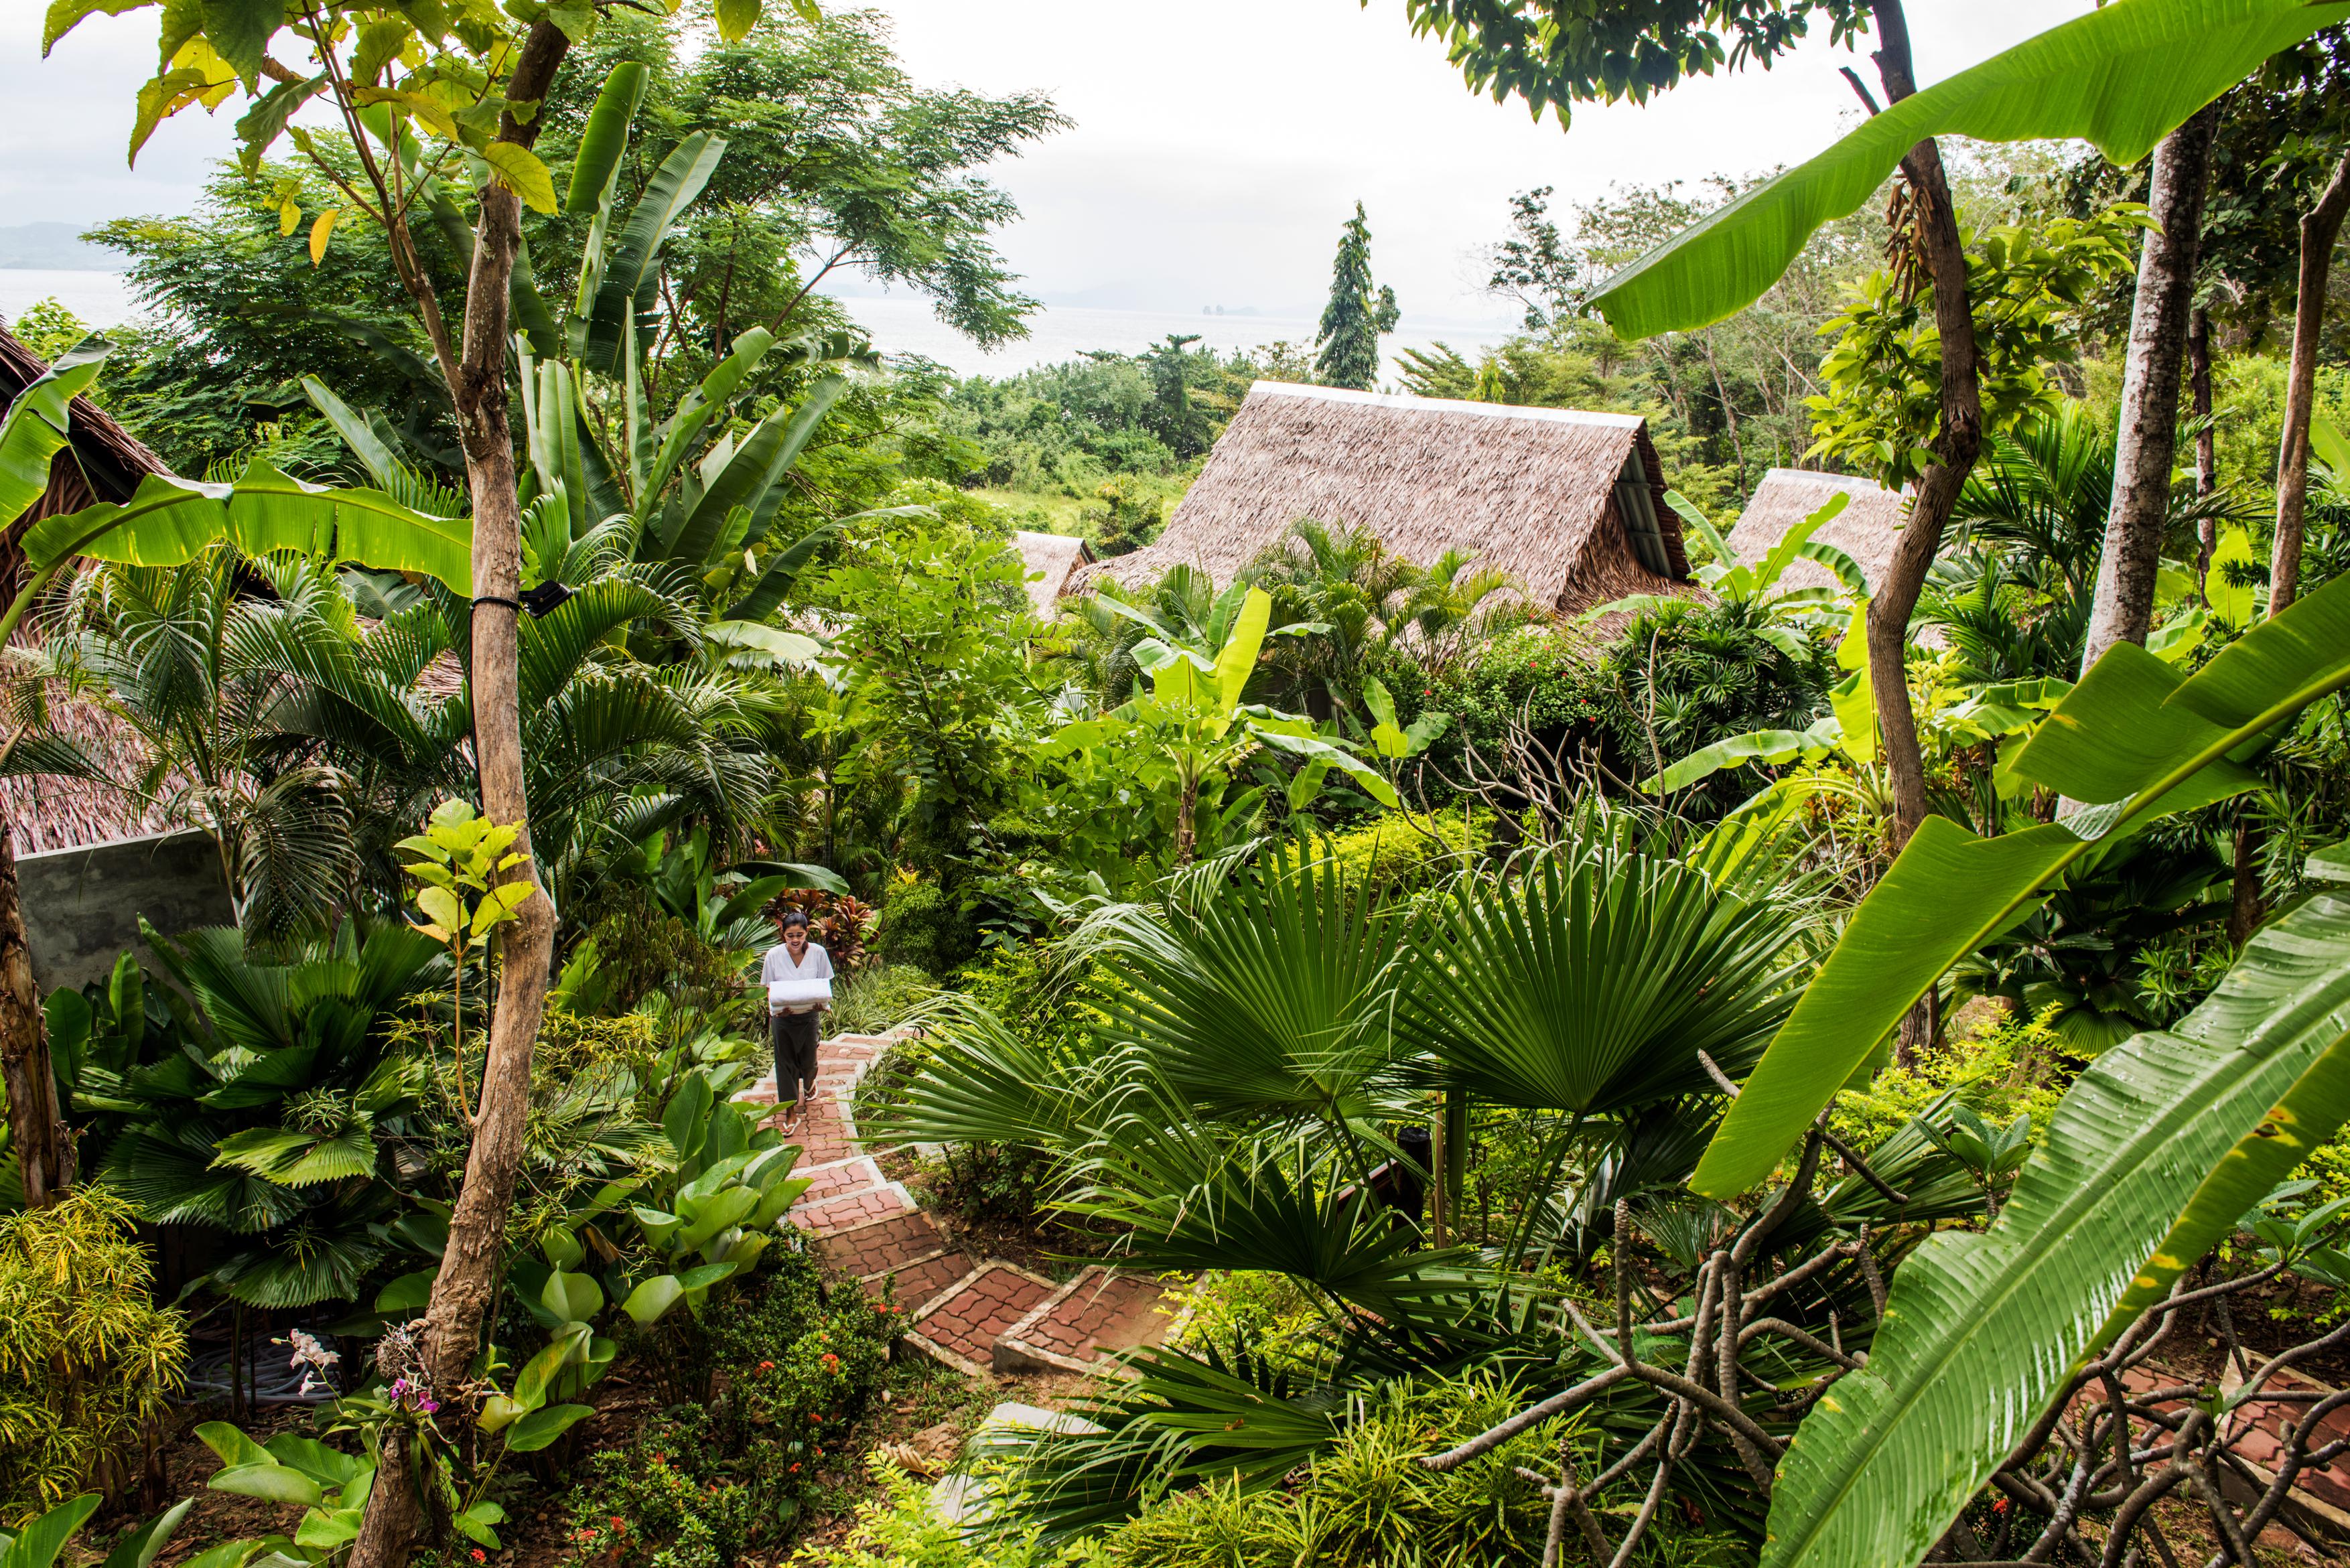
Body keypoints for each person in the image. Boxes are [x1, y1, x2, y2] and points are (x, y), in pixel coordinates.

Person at [761, 910, 833, 1132]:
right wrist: (776, 1008)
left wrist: (822, 1004)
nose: (795, 940)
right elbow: (769, 989)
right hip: (783, 1019)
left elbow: (825, 984)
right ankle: (790, 1113)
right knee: (784, 1064)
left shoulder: (818, 953)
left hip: (809, 1017)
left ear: (807, 933)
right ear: (783, 934)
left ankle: (810, 1083)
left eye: (799, 935)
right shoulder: (773, 956)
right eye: (790, 935)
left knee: (809, 1061)